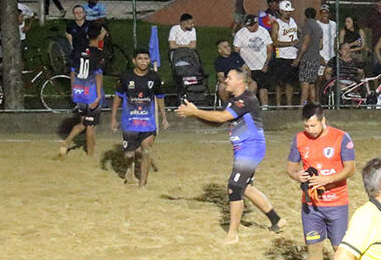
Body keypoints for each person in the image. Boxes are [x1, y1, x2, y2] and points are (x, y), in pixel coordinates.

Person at [176, 66, 286, 242]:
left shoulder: (247, 99)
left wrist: (195, 112)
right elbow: (217, 122)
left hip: (251, 148)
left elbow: (220, 117)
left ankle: (232, 234)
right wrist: (195, 114)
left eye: (229, 77)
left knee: (234, 188)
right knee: (246, 188)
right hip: (244, 149)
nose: (225, 80)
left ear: (240, 81)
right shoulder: (232, 101)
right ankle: (277, 220)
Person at [287, 103, 356, 260]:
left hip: (336, 203)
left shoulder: (342, 138)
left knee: (339, 248)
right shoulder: (299, 139)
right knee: (314, 247)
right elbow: (290, 168)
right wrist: (296, 175)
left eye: (314, 126)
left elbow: (350, 169)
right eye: (307, 126)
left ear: (323, 121)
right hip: (311, 205)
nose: (310, 130)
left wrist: (328, 180)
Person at [110, 49, 168, 187]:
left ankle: (143, 183)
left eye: (146, 59)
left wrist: (164, 117)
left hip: (147, 121)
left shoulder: (154, 77)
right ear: (134, 61)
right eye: (140, 59)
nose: (144, 62)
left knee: (146, 150)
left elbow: (159, 98)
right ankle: (129, 170)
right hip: (130, 122)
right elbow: (118, 96)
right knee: (129, 155)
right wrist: (113, 117)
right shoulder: (125, 77)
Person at [59, 22, 106, 158]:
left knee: (85, 122)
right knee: (90, 126)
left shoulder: (78, 51)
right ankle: (90, 155)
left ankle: (67, 142)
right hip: (91, 92)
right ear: (99, 36)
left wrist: (73, 90)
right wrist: (98, 96)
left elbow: (73, 72)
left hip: (79, 89)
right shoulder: (99, 54)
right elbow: (98, 75)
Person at [232, 16, 274, 104]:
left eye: (251, 25)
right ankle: (249, 106)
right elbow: (236, 51)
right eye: (247, 26)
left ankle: (265, 107)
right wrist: (241, 66)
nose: (249, 28)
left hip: (261, 65)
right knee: (249, 88)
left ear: (256, 24)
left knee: (263, 87)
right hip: (246, 67)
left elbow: (269, 49)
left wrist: (266, 63)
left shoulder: (264, 32)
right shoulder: (240, 33)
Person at [271, 0, 300, 107]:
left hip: (293, 56)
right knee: (279, 83)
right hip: (281, 56)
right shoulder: (276, 23)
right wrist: (290, 43)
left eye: (289, 11)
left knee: (290, 83)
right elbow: (274, 42)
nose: (288, 13)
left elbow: (298, 33)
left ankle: (289, 105)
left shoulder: (293, 21)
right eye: (286, 11)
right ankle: (278, 105)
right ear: (281, 11)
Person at [298, 7, 325, 106]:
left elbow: (305, 43)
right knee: (311, 84)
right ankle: (313, 105)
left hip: (307, 58)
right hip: (315, 58)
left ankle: (302, 106)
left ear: (305, 16)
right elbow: (321, 46)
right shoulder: (318, 27)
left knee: (305, 84)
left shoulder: (307, 26)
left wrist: (298, 58)